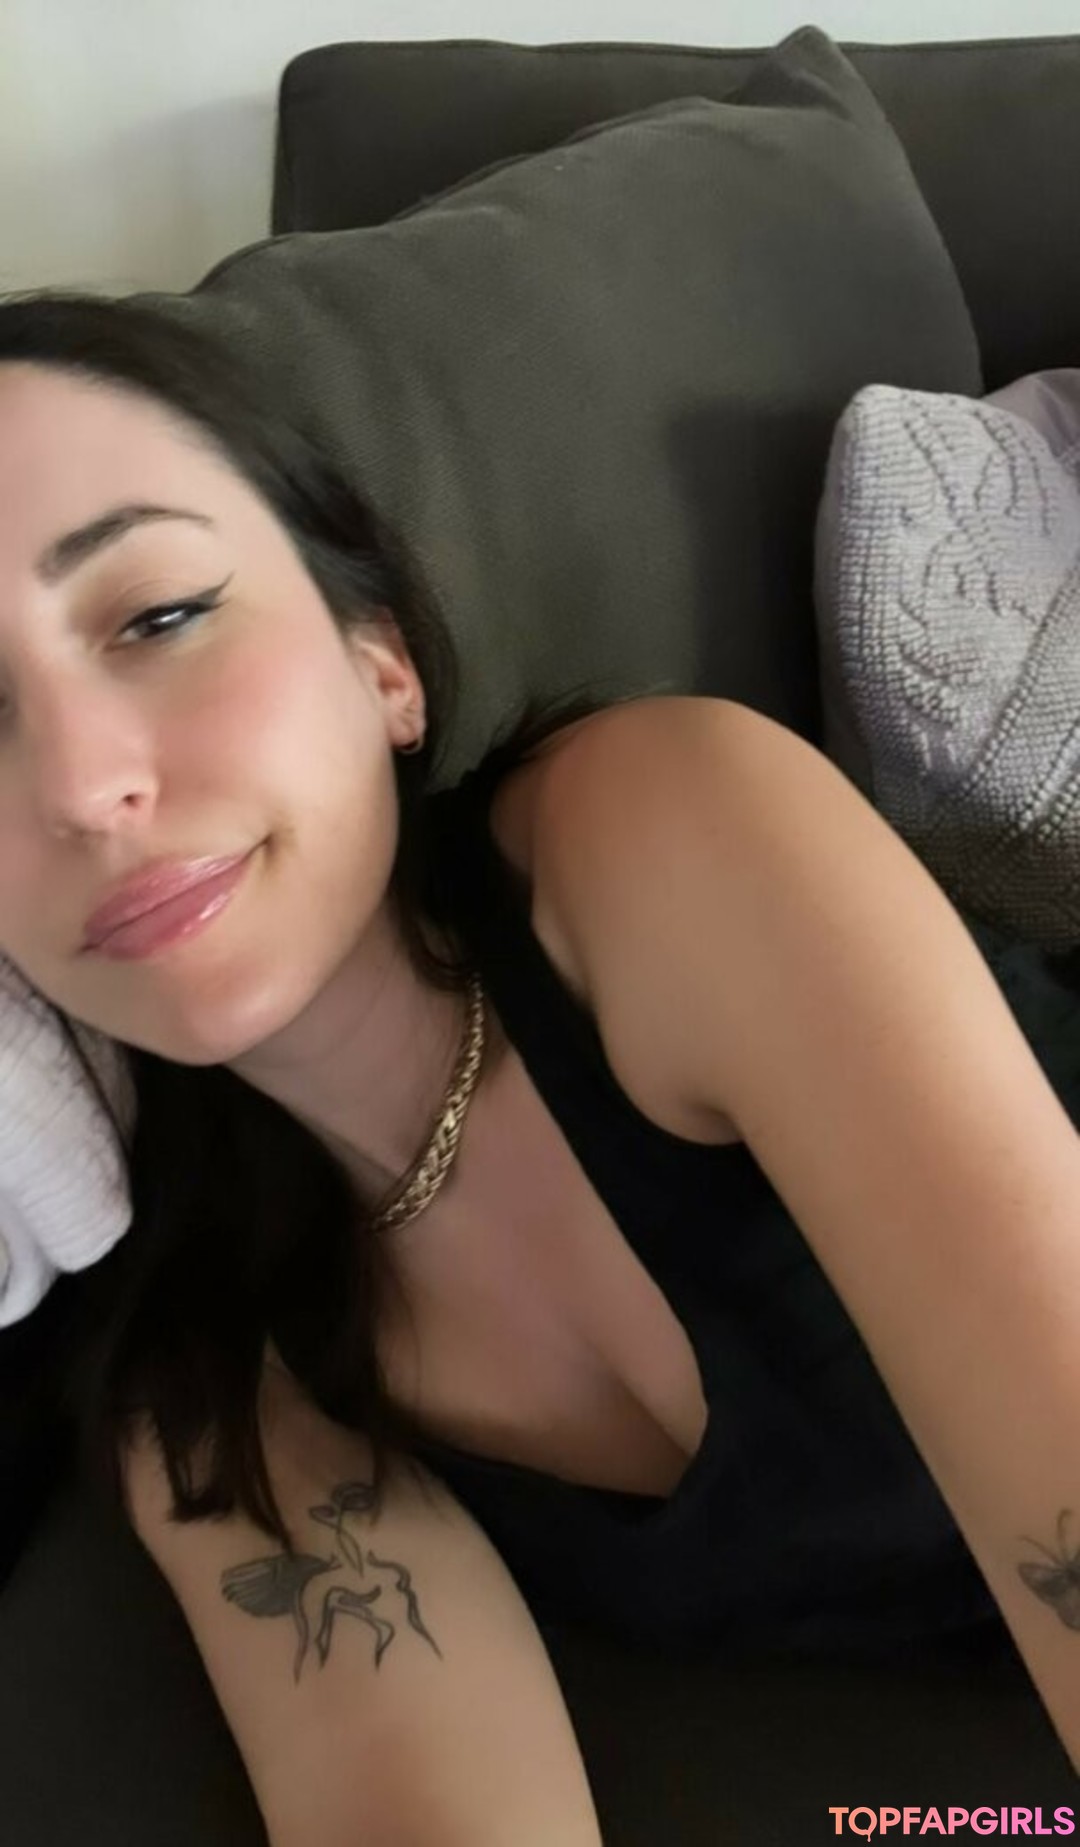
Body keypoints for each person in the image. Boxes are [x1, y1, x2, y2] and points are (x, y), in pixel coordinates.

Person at [1, 291, 1078, 1841]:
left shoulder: (667, 848)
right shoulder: (210, 1368)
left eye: (157, 616)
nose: (83, 786)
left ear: (382, 661)